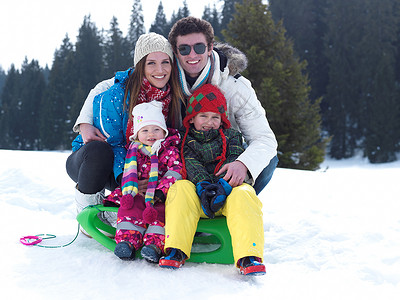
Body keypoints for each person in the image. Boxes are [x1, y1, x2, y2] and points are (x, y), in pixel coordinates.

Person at [66, 32, 183, 232]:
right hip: (99, 163)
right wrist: (129, 180)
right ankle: (89, 214)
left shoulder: (175, 97)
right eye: (151, 63)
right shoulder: (117, 95)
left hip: (146, 164)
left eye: (166, 62)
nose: (160, 70)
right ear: (140, 66)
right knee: (99, 151)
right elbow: (114, 143)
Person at [158, 84, 266, 276]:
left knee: (245, 193)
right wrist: (203, 187)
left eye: (215, 117)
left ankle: (249, 255)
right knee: (180, 188)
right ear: (192, 119)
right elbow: (189, 163)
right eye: (203, 116)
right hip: (197, 197)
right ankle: (175, 249)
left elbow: (234, 157)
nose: (209, 122)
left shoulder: (232, 136)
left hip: (227, 195)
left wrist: (223, 187)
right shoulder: (184, 139)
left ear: (222, 119)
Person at [111, 101, 182, 262]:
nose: (151, 134)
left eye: (156, 129)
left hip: (161, 194)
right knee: (129, 209)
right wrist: (132, 186)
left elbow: (175, 170)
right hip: (138, 192)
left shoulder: (168, 149)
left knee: (161, 214)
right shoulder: (134, 151)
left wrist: (161, 190)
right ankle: (127, 241)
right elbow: (129, 173)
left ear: (163, 132)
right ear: (137, 134)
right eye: (145, 130)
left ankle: (154, 245)